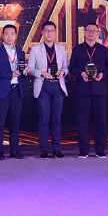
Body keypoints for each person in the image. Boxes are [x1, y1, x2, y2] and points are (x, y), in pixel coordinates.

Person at [69, 22, 108, 158]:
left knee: (101, 121)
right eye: (88, 30)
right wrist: (81, 73)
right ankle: (84, 150)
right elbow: (72, 68)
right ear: (84, 32)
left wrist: (103, 74)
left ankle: (100, 149)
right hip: (83, 90)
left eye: (94, 31)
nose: (91, 33)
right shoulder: (77, 49)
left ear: (97, 33)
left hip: (100, 90)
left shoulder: (103, 50)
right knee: (83, 121)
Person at [27, 21, 70, 158]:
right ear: (42, 32)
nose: (49, 33)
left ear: (56, 33)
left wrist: (63, 72)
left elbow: (66, 67)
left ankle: (56, 148)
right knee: (44, 119)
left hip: (58, 86)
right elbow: (30, 69)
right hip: (43, 85)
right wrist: (41, 73)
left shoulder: (61, 49)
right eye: (47, 30)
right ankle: (44, 149)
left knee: (56, 119)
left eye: (52, 30)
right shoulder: (35, 49)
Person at [0, 24, 28, 160]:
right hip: (2, 92)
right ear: (2, 36)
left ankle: (14, 150)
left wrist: (25, 72)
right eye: (7, 33)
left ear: (16, 36)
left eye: (12, 33)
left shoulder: (20, 52)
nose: (9, 36)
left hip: (17, 91)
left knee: (15, 123)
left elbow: (21, 72)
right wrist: (9, 74)